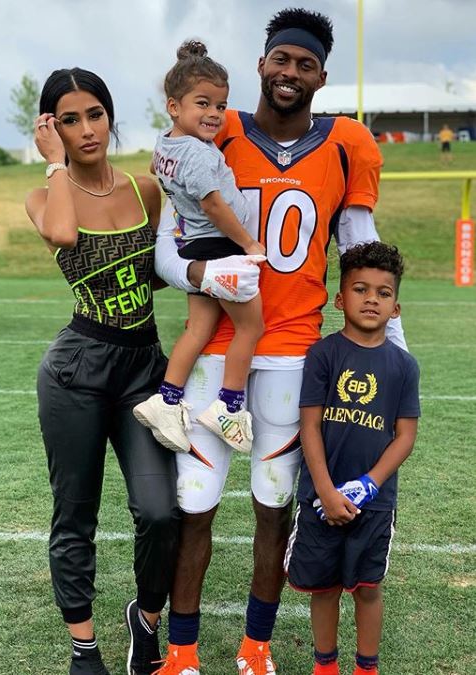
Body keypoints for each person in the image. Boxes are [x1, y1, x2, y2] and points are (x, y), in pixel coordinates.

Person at [154, 8, 407, 675]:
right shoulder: (213, 125)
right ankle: (181, 652)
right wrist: (198, 270)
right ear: (261, 63)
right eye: (279, 59)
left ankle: (255, 647)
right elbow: (166, 244)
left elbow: (358, 245)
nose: (288, 72)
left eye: (303, 63)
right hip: (214, 352)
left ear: (321, 75)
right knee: (194, 505)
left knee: (273, 506)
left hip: (292, 354)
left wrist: (395, 351)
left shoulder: (347, 141)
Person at [25, 67, 181, 675]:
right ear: (51, 128)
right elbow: (63, 233)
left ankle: (144, 621)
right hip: (77, 372)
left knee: (160, 511)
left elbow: (161, 269)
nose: (87, 129)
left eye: (95, 114)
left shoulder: (146, 190)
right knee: (75, 513)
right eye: (69, 119)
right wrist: (53, 163)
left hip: (143, 367)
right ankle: (84, 648)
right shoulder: (45, 195)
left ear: (110, 116)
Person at [284, 241, 420, 675]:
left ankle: (367, 668)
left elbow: (405, 435)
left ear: (395, 307)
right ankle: (325, 666)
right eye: (361, 289)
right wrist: (325, 488)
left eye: (383, 293)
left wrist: (369, 484)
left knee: (367, 588)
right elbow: (309, 427)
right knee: (323, 588)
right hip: (320, 499)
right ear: (341, 299)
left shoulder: (403, 365)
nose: (371, 299)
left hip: (373, 503)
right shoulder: (323, 355)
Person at [133, 40, 265, 456]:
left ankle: (167, 400)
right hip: (221, 246)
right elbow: (212, 203)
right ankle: (229, 407)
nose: (213, 115)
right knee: (250, 327)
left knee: (198, 329)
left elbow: (157, 168)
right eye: (202, 104)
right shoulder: (197, 154)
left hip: (194, 247)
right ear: (175, 106)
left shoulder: (166, 142)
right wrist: (247, 242)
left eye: (220, 106)